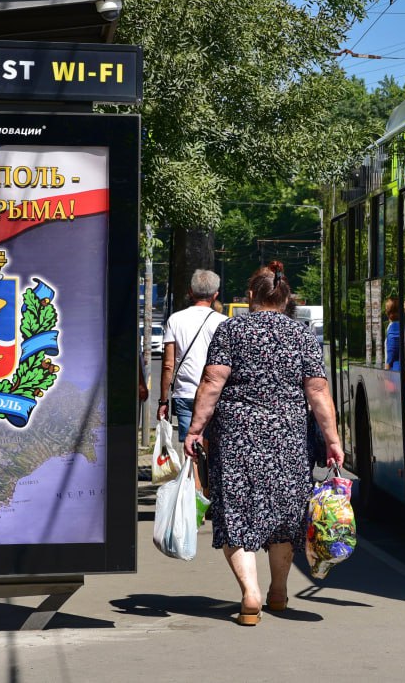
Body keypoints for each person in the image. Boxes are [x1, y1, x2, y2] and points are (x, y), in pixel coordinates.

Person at [184, 261, 343, 627]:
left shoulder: (231, 329)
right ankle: (279, 591)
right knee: (285, 512)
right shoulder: (301, 334)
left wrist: (195, 430)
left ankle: (250, 594)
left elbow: (211, 382)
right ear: (286, 299)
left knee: (236, 512)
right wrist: (333, 441)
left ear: (252, 295)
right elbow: (317, 391)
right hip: (289, 434)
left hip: (237, 434)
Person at [159, 269, 228, 442]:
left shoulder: (175, 320)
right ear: (215, 294)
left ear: (191, 291)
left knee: (191, 449)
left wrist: (163, 401)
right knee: (212, 446)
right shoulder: (224, 322)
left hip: (185, 392)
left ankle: (193, 469)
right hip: (216, 393)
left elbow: (168, 365)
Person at [384, 295, 402, 370]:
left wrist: (386, 371)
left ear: (388, 312)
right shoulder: (400, 325)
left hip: (394, 371)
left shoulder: (392, 328)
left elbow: (391, 353)